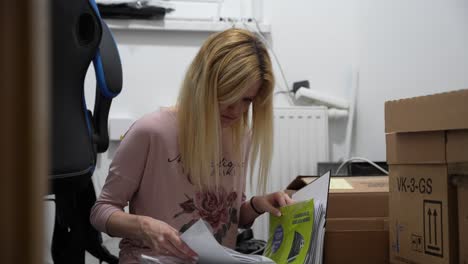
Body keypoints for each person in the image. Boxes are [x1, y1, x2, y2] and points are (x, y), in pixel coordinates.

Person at [90, 28, 294, 264]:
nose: (236, 111)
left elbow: (231, 214)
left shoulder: (241, 135)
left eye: (247, 100)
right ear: (204, 84)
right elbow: (101, 211)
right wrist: (142, 225)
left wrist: (258, 205)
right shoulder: (151, 131)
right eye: (228, 95)